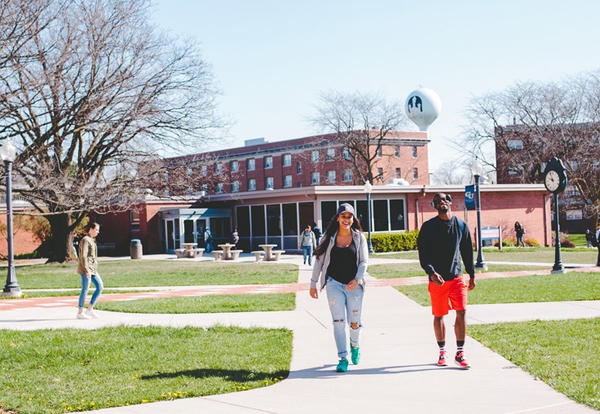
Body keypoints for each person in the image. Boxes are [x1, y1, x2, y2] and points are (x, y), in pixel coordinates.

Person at [417, 193, 476, 369]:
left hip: (457, 277)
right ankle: (442, 352)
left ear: (450, 202)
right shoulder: (428, 227)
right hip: (437, 281)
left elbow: (467, 251)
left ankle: (460, 353)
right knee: (439, 315)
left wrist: (471, 274)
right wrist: (432, 273)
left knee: (462, 312)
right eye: (437, 201)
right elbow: (423, 254)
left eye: (444, 199)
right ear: (434, 206)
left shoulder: (461, 225)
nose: (441, 202)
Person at [310, 203, 369, 373]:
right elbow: (319, 262)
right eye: (343, 216)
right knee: (338, 322)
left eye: (349, 216)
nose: (346, 219)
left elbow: (364, 261)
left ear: (353, 219)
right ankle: (342, 358)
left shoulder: (359, 238)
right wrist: (313, 283)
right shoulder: (328, 238)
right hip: (334, 284)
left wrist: (357, 280)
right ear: (338, 218)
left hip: (354, 286)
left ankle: (355, 345)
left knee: (354, 323)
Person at [76, 221, 103, 320]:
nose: (97, 232)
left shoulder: (92, 240)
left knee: (100, 287)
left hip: (93, 269)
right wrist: (87, 270)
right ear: (91, 229)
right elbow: (83, 256)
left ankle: (90, 309)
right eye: (96, 230)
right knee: (85, 290)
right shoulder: (85, 240)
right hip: (85, 269)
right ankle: (80, 312)